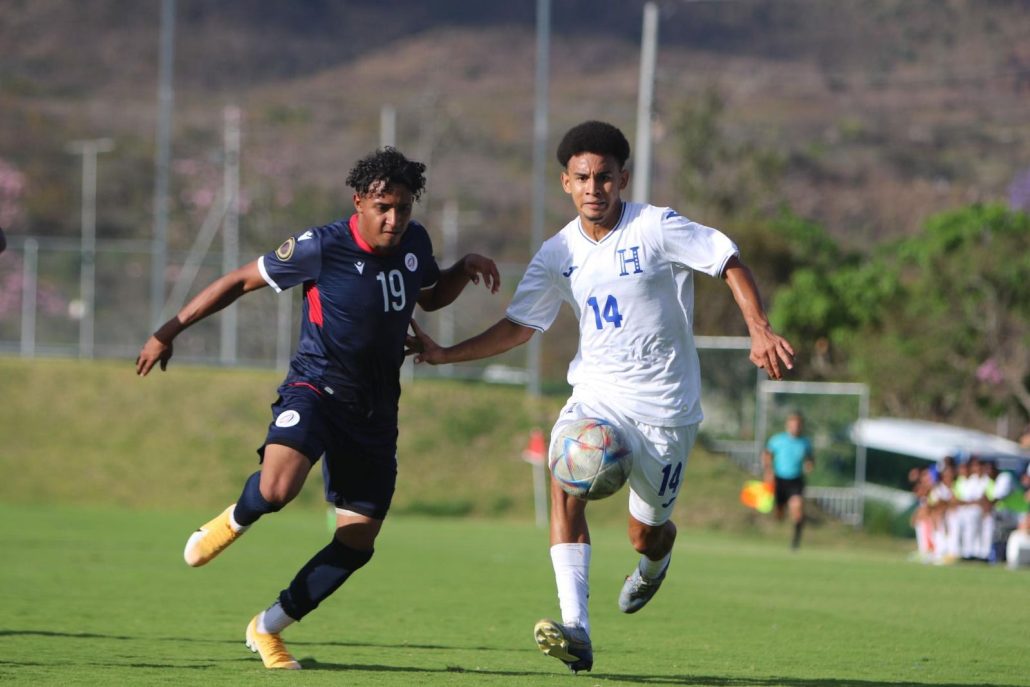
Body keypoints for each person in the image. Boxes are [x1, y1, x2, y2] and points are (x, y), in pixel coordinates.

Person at [408, 121, 794, 673]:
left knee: (646, 533)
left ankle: (655, 566)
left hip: (666, 409)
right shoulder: (556, 253)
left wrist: (758, 326)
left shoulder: (656, 227)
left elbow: (726, 259)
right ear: (566, 182)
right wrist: (445, 354)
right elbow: (519, 327)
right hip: (597, 395)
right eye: (583, 177)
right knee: (566, 478)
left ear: (623, 179)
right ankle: (577, 629)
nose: (595, 188)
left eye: (605, 177)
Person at [136, 147, 500, 670]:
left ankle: (268, 628)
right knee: (278, 488)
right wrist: (167, 332)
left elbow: (429, 295)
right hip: (316, 387)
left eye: (402, 207)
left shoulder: (414, 241)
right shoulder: (321, 246)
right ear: (359, 202)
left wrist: (463, 269)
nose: (394, 219)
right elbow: (238, 281)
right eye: (383, 207)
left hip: (375, 409)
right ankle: (234, 520)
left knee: (357, 543)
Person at [761, 411, 814, 550]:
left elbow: (810, 458)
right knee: (779, 512)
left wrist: (809, 464)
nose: (795, 427)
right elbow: (767, 456)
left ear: (801, 426)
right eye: (793, 425)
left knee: (797, 508)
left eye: (798, 425)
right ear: (788, 425)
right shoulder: (777, 440)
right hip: (779, 479)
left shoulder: (805, 442)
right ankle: (779, 512)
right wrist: (768, 472)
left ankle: (795, 543)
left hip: (796, 480)